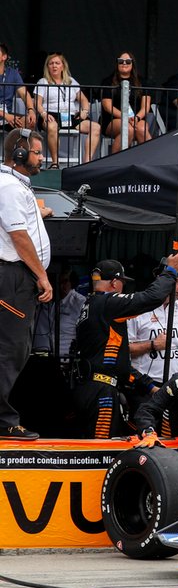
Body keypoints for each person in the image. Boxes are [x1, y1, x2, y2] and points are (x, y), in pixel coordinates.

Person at [73, 254, 178, 439]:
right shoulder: (108, 303)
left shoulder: (90, 305)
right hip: (101, 392)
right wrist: (170, 271)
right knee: (100, 449)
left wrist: (151, 388)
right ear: (115, 283)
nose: (123, 287)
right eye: (122, 283)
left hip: (90, 386)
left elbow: (121, 363)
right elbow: (151, 298)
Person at [0, 128, 52, 440]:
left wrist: (41, 211)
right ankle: (3, 422)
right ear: (19, 156)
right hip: (13, 277)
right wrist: (42, 276)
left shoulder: (14, 184)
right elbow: (19, 236)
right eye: (36, 152)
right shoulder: (7, 186)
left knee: (15, 349)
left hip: (18, 277)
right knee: (10, 350)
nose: (42, 157)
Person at [128, 263, 178, 385]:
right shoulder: (138, 307)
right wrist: (152, 345)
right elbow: (124, 349)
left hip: (174, 383)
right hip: (144, 383)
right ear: (162, 281)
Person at [32, 53, 100, 169]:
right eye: (51, 63)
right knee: (52, 126)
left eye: (57, 63)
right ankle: (55, 162)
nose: (54, 66)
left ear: (63, 66)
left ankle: (86, 163)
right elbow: (37, 103)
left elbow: (83, 99)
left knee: (95, 127)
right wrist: (44, 114)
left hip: (70, 116)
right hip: (50, 115)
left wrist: (85, 111)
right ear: (47, 67)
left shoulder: (71, 81)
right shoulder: (43, 82)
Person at [100, 51, 153, 154]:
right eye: (121, 61)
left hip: (137, 118)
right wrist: (125, 118)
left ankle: (147, 163)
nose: (124, 63)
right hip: (114, 119)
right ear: (117, 64)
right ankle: (116, 164)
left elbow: (145, 106)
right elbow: (107, 106)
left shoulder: (143, 82)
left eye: (128, 61)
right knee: (128, 129)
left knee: (142, 129)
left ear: (133, 64)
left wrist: (136, 118)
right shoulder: (108, 81)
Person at [0, 43, 35, 133]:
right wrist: (5, 115)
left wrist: (31, 110)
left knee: (28, 121)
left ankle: (22, 147)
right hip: (6, 116)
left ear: (4, 57)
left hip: (7, 117)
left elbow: (24, 93)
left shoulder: (13, 73)